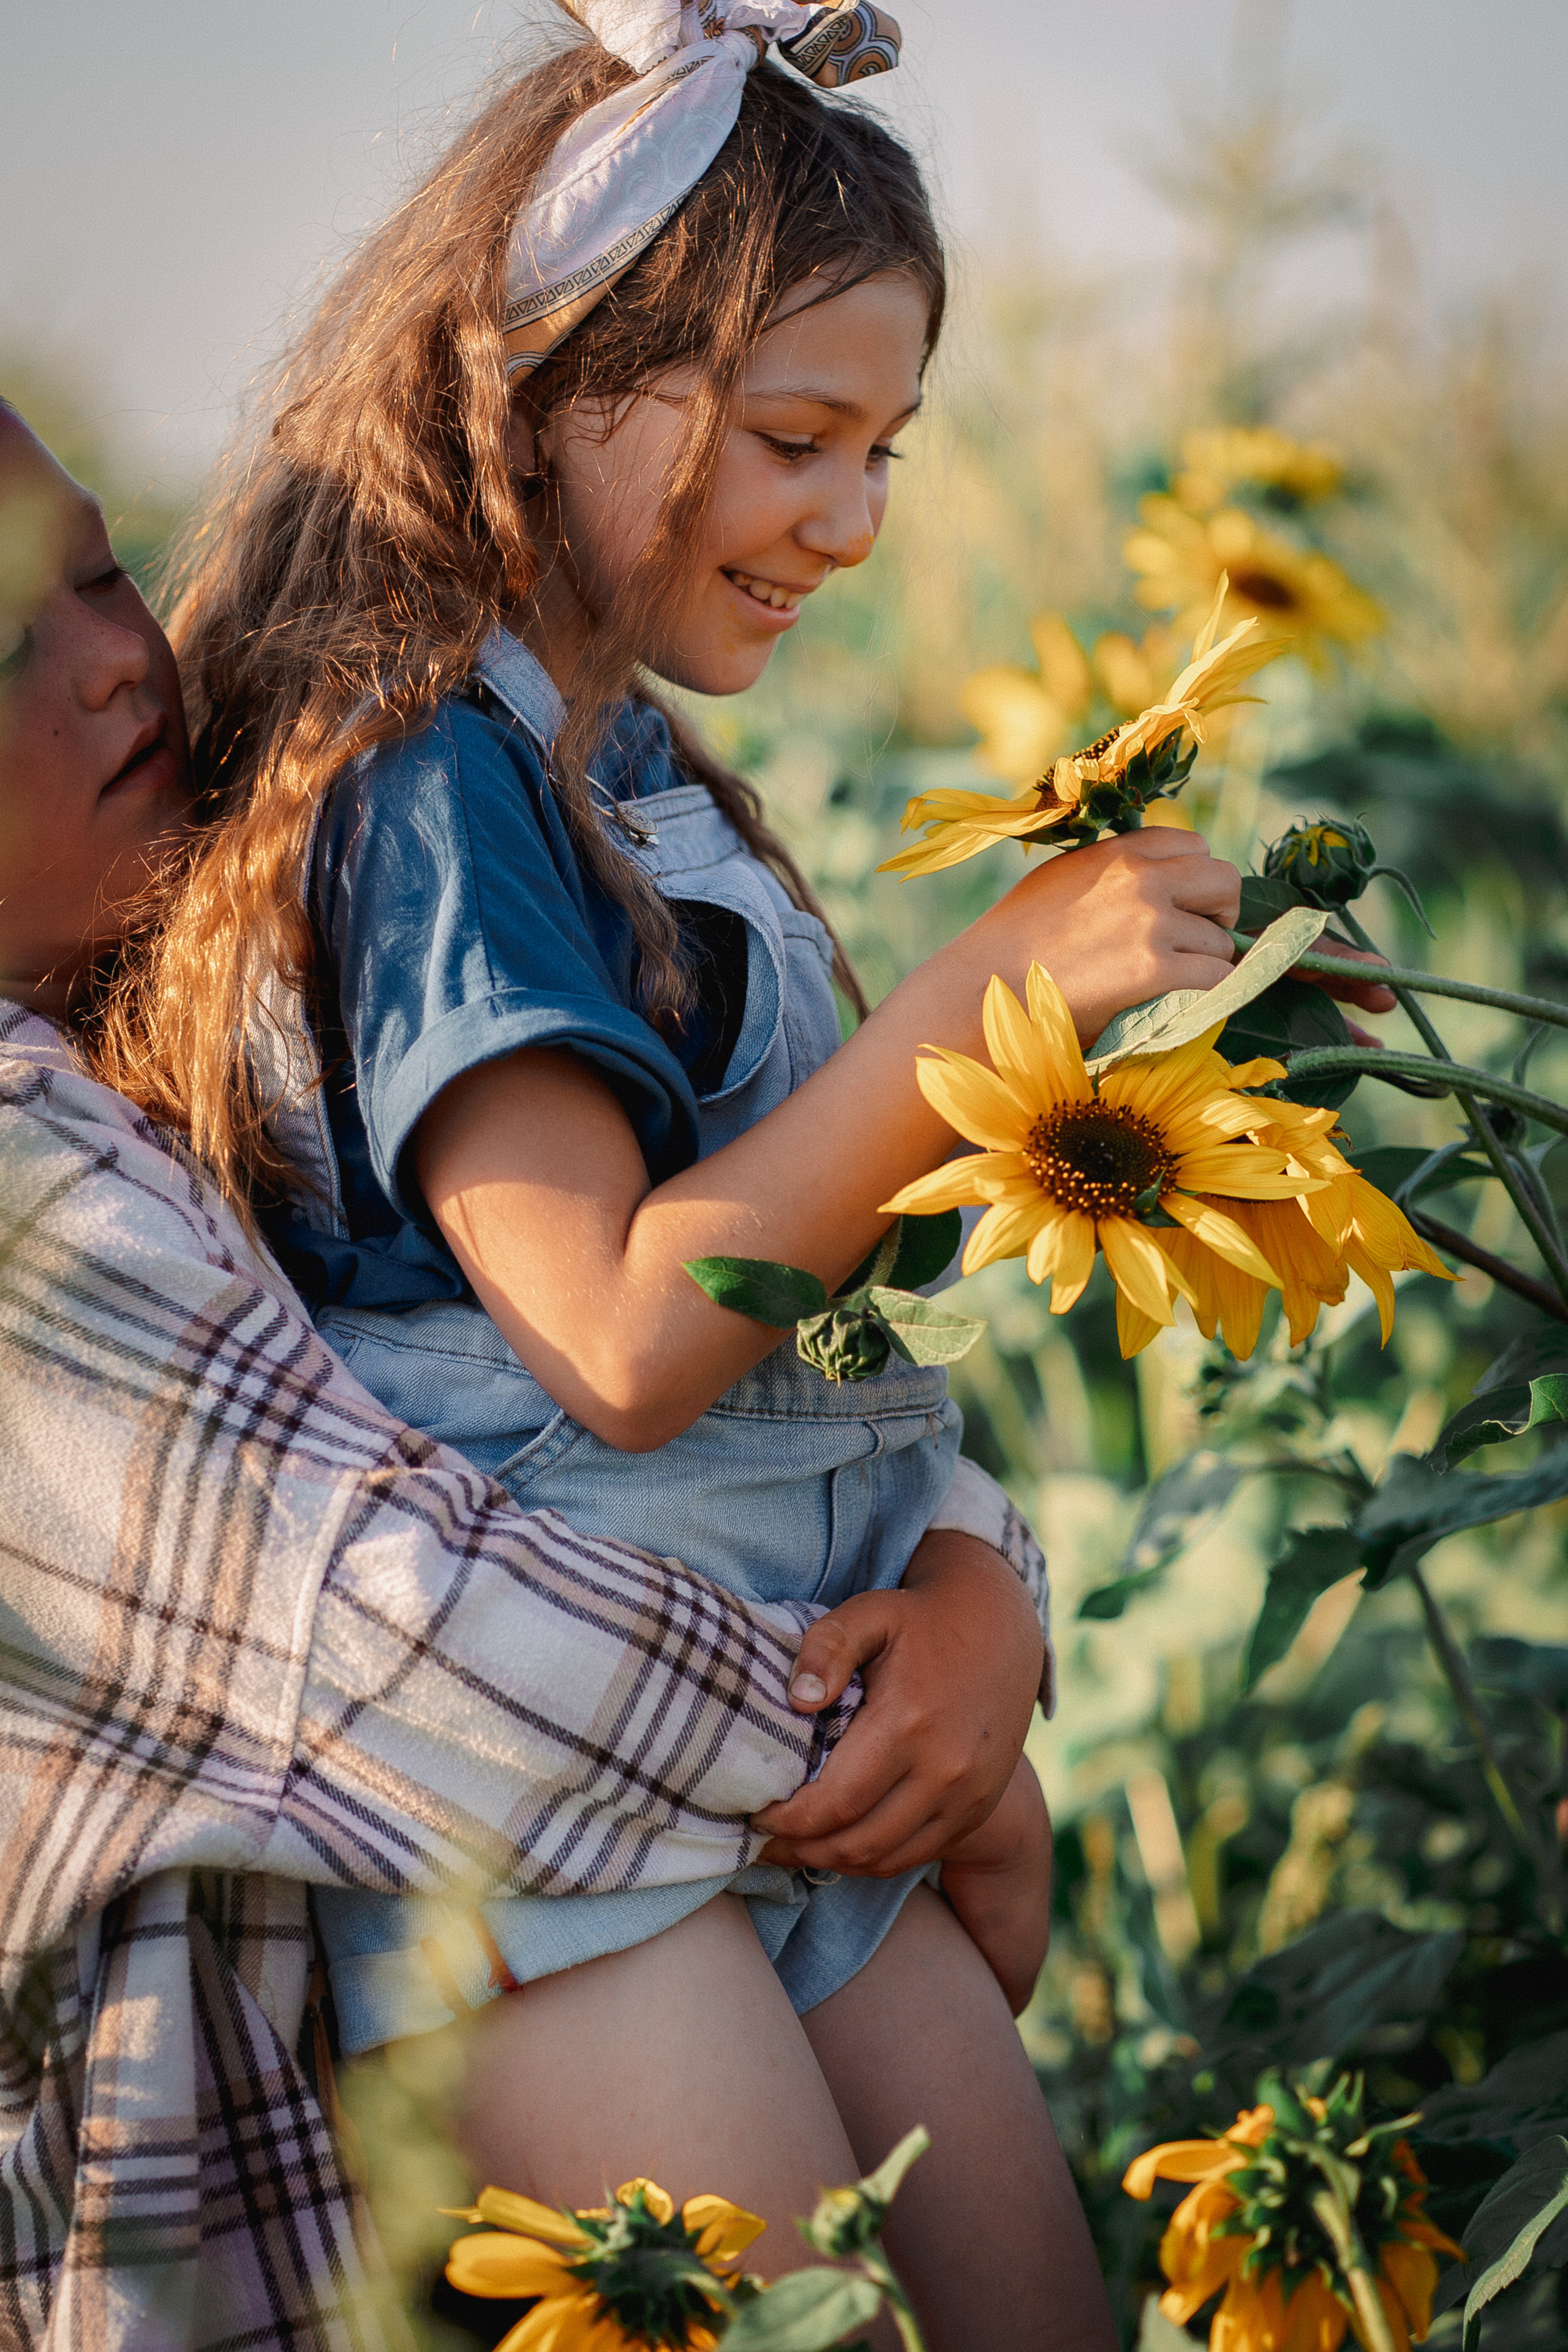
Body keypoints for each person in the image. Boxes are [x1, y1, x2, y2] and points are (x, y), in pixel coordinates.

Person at [0, 406, 1068, 2349]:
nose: (103, 652)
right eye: (5, 643)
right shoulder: (21, 1186)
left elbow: (719, 1407)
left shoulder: (175, 1019)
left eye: (95, 573)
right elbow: (411, 1621)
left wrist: (978, 1589)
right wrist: (930, 1731)